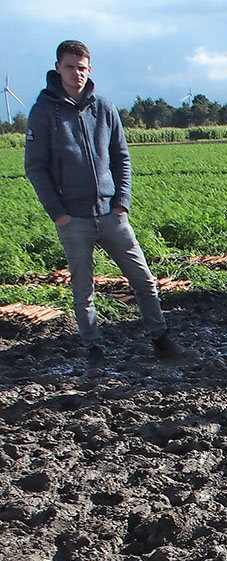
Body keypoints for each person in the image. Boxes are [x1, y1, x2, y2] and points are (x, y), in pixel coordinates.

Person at [24, 40, 188, 371]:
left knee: (144, 280)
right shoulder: (43, 113)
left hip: (111, 215)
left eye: (82, 67)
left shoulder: (105, 108)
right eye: (70, 67)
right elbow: (35, 166)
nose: (76, 73)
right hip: (74, 220)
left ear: (90, 68)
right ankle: (94, 352)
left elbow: (121, 158)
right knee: (84, 290)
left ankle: (162, 341)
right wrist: (59, 213)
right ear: (58, 68)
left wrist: (121, 203)